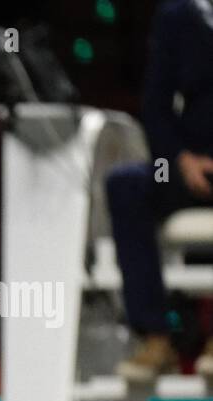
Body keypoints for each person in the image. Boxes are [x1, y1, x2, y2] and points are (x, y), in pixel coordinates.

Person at [109, 0, 213, 380]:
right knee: (126, 186)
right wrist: (181, 161)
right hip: (186, 166)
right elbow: (155, 106)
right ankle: (155, 337)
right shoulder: (176, 16)